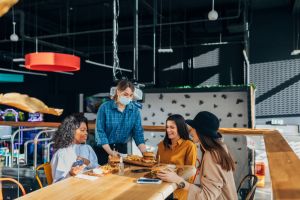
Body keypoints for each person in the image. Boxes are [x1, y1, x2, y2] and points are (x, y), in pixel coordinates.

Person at [157, 111, 237, 200]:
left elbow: (206, 197)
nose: (191, 131)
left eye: (194, 128)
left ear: (200, 131)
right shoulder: (220, 148)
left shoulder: (212, 155)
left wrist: (177, 179)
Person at [95, 80, 146, 165]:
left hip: (121, 149)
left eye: (130, 95)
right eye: (125, 94)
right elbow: (100, 132)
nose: (128, 98)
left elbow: (138, 133)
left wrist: (145, 154)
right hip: (105, 149)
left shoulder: (134, 110)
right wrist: (110, 152)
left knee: (122, 174)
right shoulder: (105, 108)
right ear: (118, 92)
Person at [157, 114, 197, 200]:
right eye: (167, 127)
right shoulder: (161, 145)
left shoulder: (189, 145)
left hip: (178, 191)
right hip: (159, 187)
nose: (168, 130)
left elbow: (190, 175)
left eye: (172, 127)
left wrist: (176, 182)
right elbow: (157, 167)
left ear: (180, 128)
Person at [51, 113, 99, 183]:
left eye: (86, 130)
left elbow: (97, 169)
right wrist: (70, 174)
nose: (86, 133)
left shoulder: (87, 148)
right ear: (71, 131)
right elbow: (57, 183)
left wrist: (88, 163)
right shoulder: (62, 154)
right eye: (82, 130)